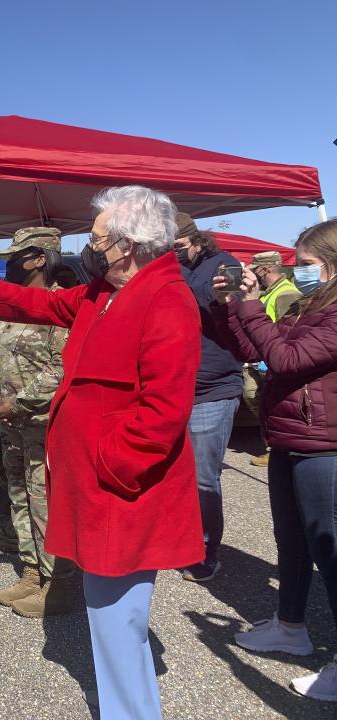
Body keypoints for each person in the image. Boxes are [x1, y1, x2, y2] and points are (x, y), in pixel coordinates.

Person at [0, 185, 202, 720]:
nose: (88, 250)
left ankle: (131, 713)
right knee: (108, 618)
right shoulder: (106, 291)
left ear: (129, 245)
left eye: (97, 240)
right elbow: (48, 303)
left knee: (117, 619)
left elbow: (164, 410)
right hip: (98, 483)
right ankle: (125, 707)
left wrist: (110, 464)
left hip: (119, 487)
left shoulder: (165, 299)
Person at [212, 219, 337, 703]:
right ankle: (290, 626)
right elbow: (255, 352)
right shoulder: (313, 304)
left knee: (328, 548)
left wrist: (250, 307)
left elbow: (286, 360)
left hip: (324, 444)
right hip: (288, 436)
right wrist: (230, 310)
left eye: (305, 265)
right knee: (290, 540)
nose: (298, 272)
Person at [0, 227, 76, 618]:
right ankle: (33, 571)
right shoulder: (9, 307)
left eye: (15, 257)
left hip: (44, 424)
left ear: (39, 259)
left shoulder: (59, 306)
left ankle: (60, 585)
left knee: (47, 503)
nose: (8, 264)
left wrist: (18, 402)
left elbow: (62, 367)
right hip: (12, 424)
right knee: (19, 496)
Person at [173, 212, 243, 582]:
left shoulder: (222, 264)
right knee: (173, 472)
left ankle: (205, 549)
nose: (175, 253)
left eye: (179, 247)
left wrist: (216, 293)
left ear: (197, 241)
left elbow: (216, 300)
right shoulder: (167, 266)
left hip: (211, 390)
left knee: (202, 476)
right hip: (172, 388)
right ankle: (179, 538)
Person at [244, 251, 302, 467]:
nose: (254, 274)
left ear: (265, 269)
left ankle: (277, 447)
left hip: (272, 358)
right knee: (258, 398)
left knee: (270, 402)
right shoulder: (272, 292)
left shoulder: (286, 294)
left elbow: (289, 330)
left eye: (256, 269)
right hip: (264, 356)